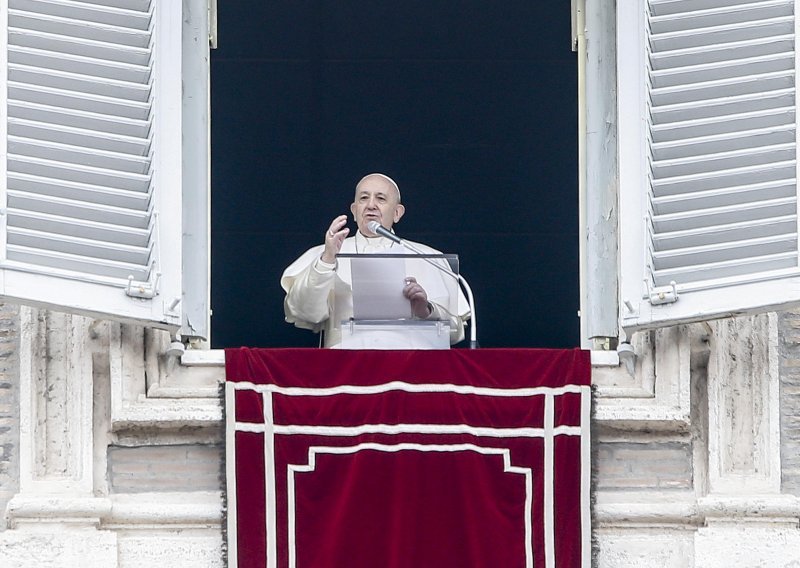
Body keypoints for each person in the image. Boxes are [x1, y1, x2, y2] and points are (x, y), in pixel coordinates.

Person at [281, 173, 470, 347]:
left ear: (397, 213)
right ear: (354, 211)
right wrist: (327, 260)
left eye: (380, 198)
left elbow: (454, 332)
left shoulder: (427, 257)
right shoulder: (325, 254)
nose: (371, 205)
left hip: (411, 368)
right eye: (364, 198)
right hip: (346, 370)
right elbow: (305, 312)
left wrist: (426, 310)